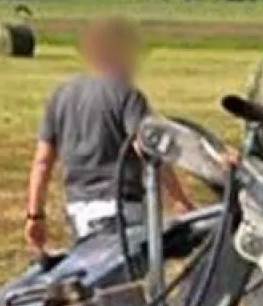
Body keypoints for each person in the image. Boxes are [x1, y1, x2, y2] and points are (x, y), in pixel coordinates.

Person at [24, 17, 195, 251]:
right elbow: (147, 149)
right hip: (122, 209)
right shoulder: (127, 95)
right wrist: (179, 199)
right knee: (126, 282)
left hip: (78, 211)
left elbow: (42, 162)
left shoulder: (60, 95)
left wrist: (35, 216)